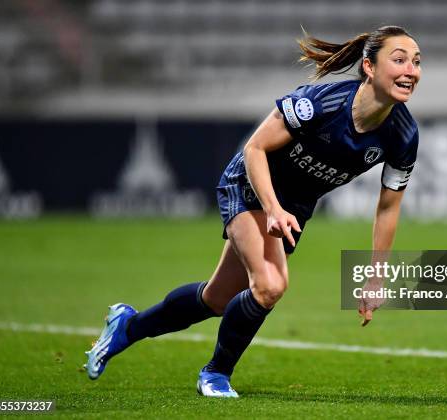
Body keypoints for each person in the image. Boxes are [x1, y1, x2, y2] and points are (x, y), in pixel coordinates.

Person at [84, 25, 422, 398]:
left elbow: (388, 208)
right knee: (270, 286)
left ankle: (126, 326)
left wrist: (375, 278)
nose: (411, 70)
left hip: (293, 206)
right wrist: (273, 208)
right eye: (399, 60)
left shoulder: (404, 135)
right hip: (249, 184)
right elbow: (255, 149)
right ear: (369, 67)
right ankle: (215, 374)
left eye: (417, 62)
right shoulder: (321, 104)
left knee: (216, 298)